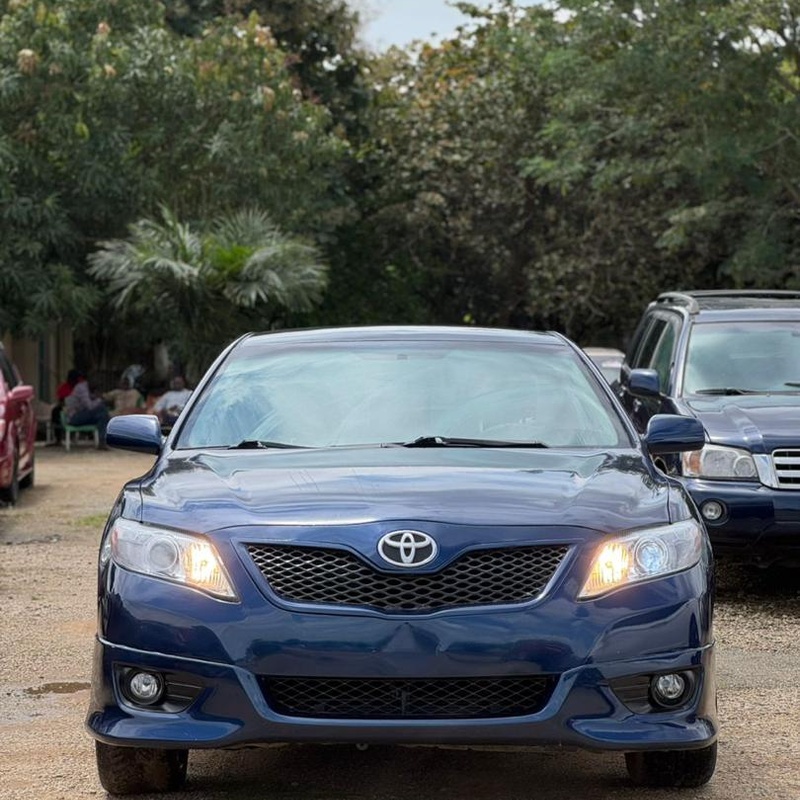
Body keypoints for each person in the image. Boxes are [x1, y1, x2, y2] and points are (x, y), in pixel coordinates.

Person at [63, 370, 110, 444]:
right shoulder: (81, 388)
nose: (98, 383)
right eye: (96, 381)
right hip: (74, 417)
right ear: (90, 380)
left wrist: (96, 397)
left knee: (102, 415)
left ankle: (102, 441)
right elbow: (89, 406)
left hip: (83, 416)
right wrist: (99, 400)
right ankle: (103, 441)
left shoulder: (89, 389)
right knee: (102, 409)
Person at [50, 368, 79, 446]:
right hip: (65, 406)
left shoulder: (79, 387)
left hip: (77, 407)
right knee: (55, 411)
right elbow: (61, 400)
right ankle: (58, 438)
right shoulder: (64, 387)